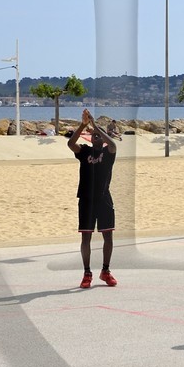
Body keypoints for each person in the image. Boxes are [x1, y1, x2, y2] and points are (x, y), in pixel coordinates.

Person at [68, 108, 118, 288]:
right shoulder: (85, 151)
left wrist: (97, 127)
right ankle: (87, 273)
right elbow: (70, 144)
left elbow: (113, 145)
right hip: (86, 200)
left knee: (108, 237)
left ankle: (106, 271)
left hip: (104, 199)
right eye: (94, 136)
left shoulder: (108, 153)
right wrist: (83, 126)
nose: (96, 137)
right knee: (86, 238)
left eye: (99, 135)